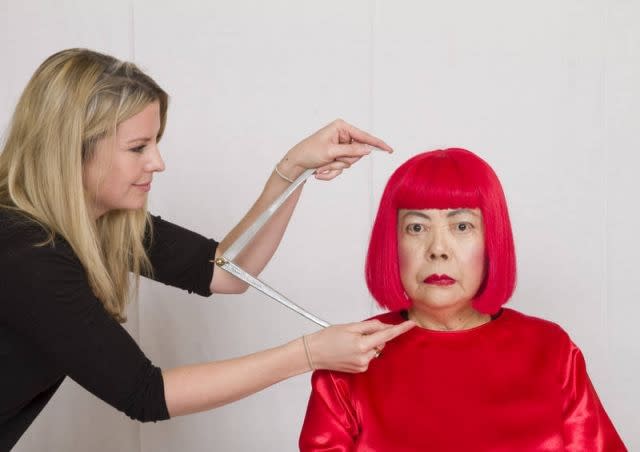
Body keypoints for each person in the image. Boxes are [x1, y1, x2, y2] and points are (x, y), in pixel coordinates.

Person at [0, 48, 415, 450]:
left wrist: (292, 170)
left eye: (155, 141)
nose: (158, 162)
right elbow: (145, 394)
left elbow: (228, 272)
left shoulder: (103, 221)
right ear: (71, 151)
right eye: (137, 147)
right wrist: (309, 353)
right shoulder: (28, 254)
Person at [299, 148, 627, 451]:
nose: (438, 248)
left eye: (461, 225)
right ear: (392, 244)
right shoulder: (351, 356)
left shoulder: (551, 350)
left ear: (492, 240)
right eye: (416, 227)